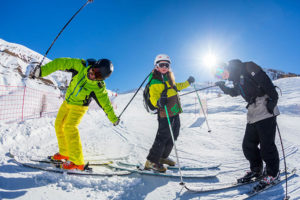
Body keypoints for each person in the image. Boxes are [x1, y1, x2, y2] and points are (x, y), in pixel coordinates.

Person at [30, 58, 120, 171]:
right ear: (94, 66)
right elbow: (60, 62)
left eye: (99, 77)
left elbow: (106, 104)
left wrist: (113, 119)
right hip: (67, 102)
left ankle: (77, 161)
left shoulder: (98, 87)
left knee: (70, 127)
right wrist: (42, 71)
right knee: (59, 124)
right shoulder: (80, 66)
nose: (94, 76)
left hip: (79, 107)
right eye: (94, 72)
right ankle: (65, 152)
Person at [214, 59, 280, 189]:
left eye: (221, 72)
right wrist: (223, 87)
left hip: (265, 107)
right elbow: (234, 92)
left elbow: (265, 80)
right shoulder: (236, 80)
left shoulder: (247, 67)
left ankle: (273, 173)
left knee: (267, 145)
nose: (222, 75)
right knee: (248, 145)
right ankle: (257, 169)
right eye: (218, 75)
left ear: (225, 66)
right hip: (252, 111)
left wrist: (273, 98)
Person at [145, 54, 195, 172]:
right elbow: (153, 97)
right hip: (164, 113)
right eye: (161, 64)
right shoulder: (155, 79)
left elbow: (177, 86)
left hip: (174, 111)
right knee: (162, 137)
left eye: (166, 65)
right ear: (156, 66)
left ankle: (162, 157)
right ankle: (151, 161)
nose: (164, 67)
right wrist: (159, 102)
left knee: (174, 135)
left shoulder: (168, 77)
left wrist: (188, 82)